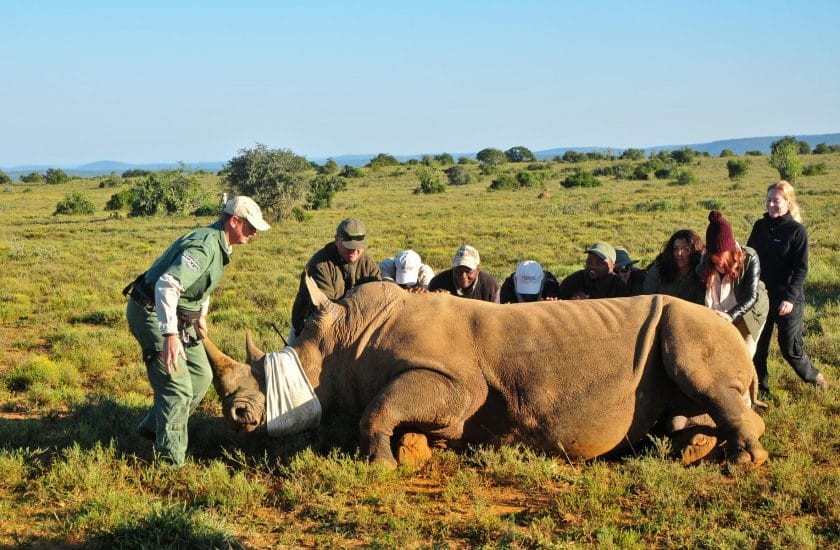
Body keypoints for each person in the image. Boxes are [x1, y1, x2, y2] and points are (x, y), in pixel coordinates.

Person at [124, 196, 270, 465]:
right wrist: (169, 335)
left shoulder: (220, 244)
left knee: (201, 375)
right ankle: (169, 461)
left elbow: (200, 286)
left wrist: (199, 315)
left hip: (180, 317)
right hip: (152, 313)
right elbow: (168, 285)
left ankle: (155, 427)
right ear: (234, 221)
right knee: (176, 388)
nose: (253, 233)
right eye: (250, 226)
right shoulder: (205, 246)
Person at [747, 181, 827, 393]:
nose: (771, 204)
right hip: (761, 297)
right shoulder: (760, 226)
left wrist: (790, 299)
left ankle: (816, 379)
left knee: (789, 346)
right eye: (769, 199)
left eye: (776, 200)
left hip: (787, 299)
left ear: (788, 203)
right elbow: (750, 258)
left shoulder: (797, 231)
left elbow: (801, 269)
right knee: (758, 347)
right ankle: (760, 389)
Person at [290, 217, 381, 339]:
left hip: (352, 329)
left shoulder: (369, 265)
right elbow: (326, 312)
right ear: (337, 240)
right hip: (311, 329)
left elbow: (377, 301)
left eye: (358, 246)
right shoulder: (319, 266)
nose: (354, 250)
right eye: (349, 246)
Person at [699, 210, 769, 358]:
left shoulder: (750, 257)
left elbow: (751, 296)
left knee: (743, 355)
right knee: (718, 353)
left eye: (719, 254)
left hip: (749, 313)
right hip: (718, 312)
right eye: (712, 254)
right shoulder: (705, 261)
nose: (715, 258)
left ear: (729, 250)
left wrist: (731, 315)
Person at [643, 229, 705, 304]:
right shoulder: (659, 269)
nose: (679, 253)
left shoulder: (701, 273)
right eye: (675, 248)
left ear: (694, 251)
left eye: (685, 249)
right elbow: (646, 299)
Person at [428, 244, 500, 302]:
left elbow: (496, 313)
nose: (463, 276)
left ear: (477, 270)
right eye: (458, 271)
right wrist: (435, 298)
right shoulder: (438, 283)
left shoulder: (490, 287)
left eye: (468, 271)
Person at [557, 243, 628, 300]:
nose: (592, 266)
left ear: (612, 266)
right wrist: (571, 303)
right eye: (589, 261)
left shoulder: (618, 286)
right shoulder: (572, 282)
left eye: (599, 263)